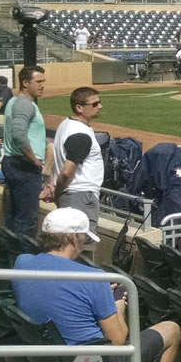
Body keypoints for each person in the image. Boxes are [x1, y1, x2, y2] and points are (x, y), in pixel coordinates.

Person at [13, 209, 181, 362]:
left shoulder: (22, 263)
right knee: (171, 330)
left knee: (92, 333)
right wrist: (117, 304)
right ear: (73, 238)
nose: (85, 243)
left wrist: (98, 292)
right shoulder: (92, 277)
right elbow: (118, 340)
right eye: (84, 238)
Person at [49, 87, 106, 253]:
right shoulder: (80, 135)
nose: (100, 106)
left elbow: (55, 155)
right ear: (79, 108)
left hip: (73, 196)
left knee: (66, 248)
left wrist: (51, 184)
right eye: (95, 104)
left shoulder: (65, 125)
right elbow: (67, 172)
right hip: (81, 196)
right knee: (80, 250)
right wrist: (57, 192)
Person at [0, 66, 47, 238]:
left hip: (14, 163)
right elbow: (19, 134)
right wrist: (34, 160)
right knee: (26, 220)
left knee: (14, 216)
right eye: (39, 82)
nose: (42, 85)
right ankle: (21, 261)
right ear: (25, 83)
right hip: (23, 166)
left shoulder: (14, 101)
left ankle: (12, 259)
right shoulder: (24, 104)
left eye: (44, 82)